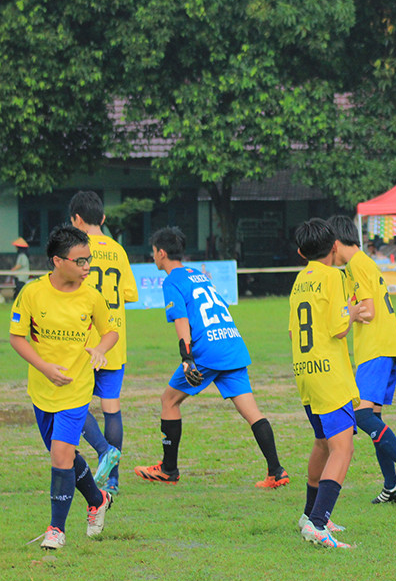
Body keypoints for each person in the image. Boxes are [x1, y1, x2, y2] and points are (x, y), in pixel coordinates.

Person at [133, 227, 289, 488]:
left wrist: (187, 358)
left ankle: (168, 469)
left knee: (168, 400)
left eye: (153, 252)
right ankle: (276, 471)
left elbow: (182, 320)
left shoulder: (172, 280)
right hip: (232, 344)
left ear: (161, 253)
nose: (153, 257)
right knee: (252, 411)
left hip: (209, 350)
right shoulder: (198, 275)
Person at [9, 225, 117, 549]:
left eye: (89, 261)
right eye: (80, 261)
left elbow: (110, 331)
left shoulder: (92, 296)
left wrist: (101, 349)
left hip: (76, 388)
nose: (87, 268)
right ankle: (98, 499)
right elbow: (17, 338)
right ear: (58, 261)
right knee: (65, 455)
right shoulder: (32, 293)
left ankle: (56, 529)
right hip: (42, 390)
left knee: (59, 455)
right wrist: (44, 368)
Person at [328, 215, 396, 507]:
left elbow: (369, 311)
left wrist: (345, 312)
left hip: (376, 347)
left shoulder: (356, 266)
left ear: (335, 243)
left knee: (361, 416)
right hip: (382, 346)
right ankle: (391, 484)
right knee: (373, 416)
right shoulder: (364, 263)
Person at [289, 219, 370, 549]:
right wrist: (351, 313)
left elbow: (295, 332)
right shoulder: (333, 276)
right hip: (328, 373)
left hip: (305, 371)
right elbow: (338, 328)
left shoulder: (299, 281)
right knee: (342, 448)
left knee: (323, 443)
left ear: (300, 252)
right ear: (334, 246)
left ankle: (310, 515)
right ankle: (318, 523)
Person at [69, 191, 138, 496]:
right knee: (111, 407)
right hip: (113, 339)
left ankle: (100, 451)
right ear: (104, 219)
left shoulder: (76, 250)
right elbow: (129, 294)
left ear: (77, 220)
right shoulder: (118, 250)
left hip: (83, 340)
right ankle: (114, 480)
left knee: (72, 402)